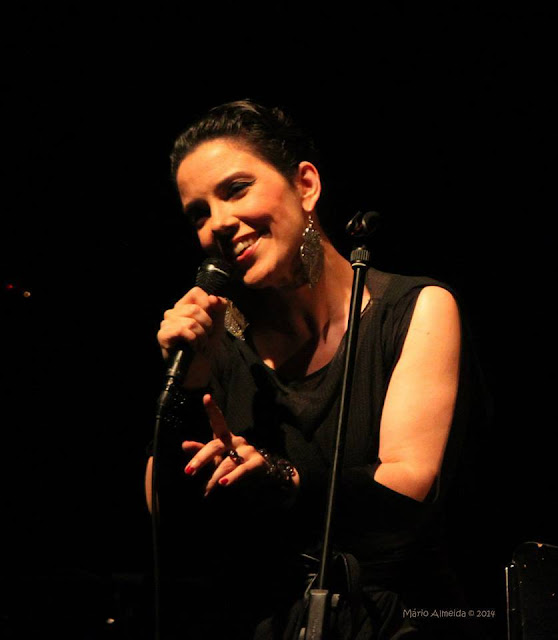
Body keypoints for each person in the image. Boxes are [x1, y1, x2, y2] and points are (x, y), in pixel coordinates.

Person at [145, 100, 491, 639]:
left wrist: (282, 478)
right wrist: (187, 383)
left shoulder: (415, 308)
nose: (218, 224)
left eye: (236, 190)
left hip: (398, 620)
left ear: (305, 185)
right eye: (198, 214)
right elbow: (163, 509)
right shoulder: (217, 343)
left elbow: (406, 488)